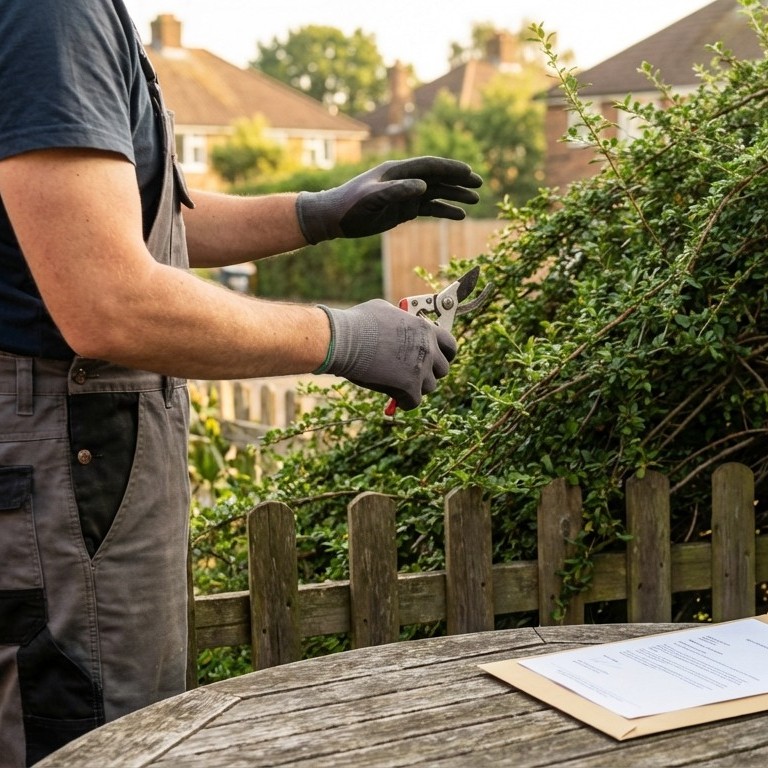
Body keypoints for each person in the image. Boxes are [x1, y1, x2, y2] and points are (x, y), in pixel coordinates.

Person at [0, 2, 483, 764]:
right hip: (65, 455)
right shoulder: (51, 13)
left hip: (70, 456)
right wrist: (342, 337)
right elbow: (107, 300)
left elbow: (128, 222)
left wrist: (314, 213)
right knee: (99, 741)